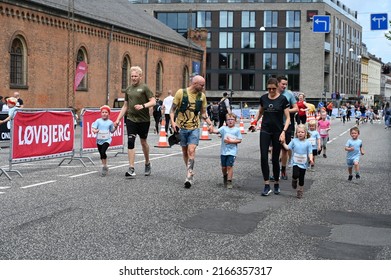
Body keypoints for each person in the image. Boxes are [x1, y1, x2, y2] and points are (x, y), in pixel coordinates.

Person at [170, 75, 213, 188]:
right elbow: (172, 110)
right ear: (195, 84)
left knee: (191, 150)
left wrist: (210, 123)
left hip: (194, 128)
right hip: (181, 127)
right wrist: (173, 123)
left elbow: (203, 113)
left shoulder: (202, 96)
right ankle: (189, 170)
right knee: (184, 151)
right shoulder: (181, 93)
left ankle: (189, 175)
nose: (203, 87)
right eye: (202, 85)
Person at [114, 66, 156, 178]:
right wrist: (118, 119)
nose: (133, 78)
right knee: (130, 141)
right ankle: (131, 168)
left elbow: (153, 101)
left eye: (135, 76)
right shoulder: (128, 89)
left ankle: (147, 162)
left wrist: (143, 106)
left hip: (144, 120)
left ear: (140, 77)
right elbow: (125, 106)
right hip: (131, 119)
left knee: (143, 142)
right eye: (132, 76)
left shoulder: (144, 88)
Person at [256, 77, 290, 196]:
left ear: (277, 87)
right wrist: (254, 122)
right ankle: (266, 185)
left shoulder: (282, 99)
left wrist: (283, 132)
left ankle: (276, 182)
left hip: (277, 131)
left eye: (273, 89)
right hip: (265, 130)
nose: (271, 91)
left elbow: (288, 118)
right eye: (269, 88)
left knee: (275, 159)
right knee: (263, 157)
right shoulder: (263, 98)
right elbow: (260, 112)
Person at [210, 113, 242, 189]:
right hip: (223, 151)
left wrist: (231, 141)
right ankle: (225, 176)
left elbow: (239, 140)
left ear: (235, 121)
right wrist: (211, 129)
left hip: (232, 152)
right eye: (228, 119)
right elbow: (215, 131)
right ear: (226, 121)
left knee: (229, 166)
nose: (230, 121)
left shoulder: (237, 130)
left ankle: (229, 181)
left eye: (232, 119)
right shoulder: (224, 128)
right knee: (224, 167)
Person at [281, 124, 313, 199]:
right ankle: (294, 180)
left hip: (303, 164)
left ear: (305, 133)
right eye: (298, 132)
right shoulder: (294, 141)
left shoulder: (308, 143)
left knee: (301, 178)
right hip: (295, 162)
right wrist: (283, 143)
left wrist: (311, 159)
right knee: (295, 174)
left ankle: (300, 190)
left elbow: (310, 152)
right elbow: (287, 147)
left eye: (302, 132)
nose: (300, 133)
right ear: (296, 133)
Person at [277, 76, 298, 180]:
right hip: (275, 125)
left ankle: (283, 169)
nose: (284, 86)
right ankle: (275, 170)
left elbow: (296, 108)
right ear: (278, 84)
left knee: (285, 148)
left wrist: (285, 111)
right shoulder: (273, 94)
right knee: (274, 149)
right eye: (283, 84)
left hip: (287, 124)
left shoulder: (289, 94)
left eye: (286, 84)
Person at [91, 105, 117, 177]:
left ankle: (104, 167)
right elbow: (93, 129)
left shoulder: (110, 122)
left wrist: (116, 127)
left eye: (106, 112)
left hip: (107, 139)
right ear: (101, 113)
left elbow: (112, 131)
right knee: (101, 154)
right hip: (99, 140)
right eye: (103, 112)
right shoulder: (98, 121)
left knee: (103, 151)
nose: (104, 114)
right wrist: (95, 130)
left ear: (108, 114)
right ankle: (104, 165)